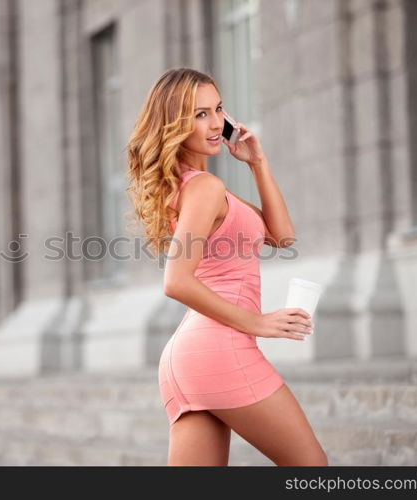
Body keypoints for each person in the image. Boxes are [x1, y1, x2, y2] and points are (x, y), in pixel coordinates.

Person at [125, 68, 328, 466]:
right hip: (220, 348)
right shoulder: (204, 188)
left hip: (191, 358)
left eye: (218, 109)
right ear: (175, 124)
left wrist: (258, 162)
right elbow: (176, 281)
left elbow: (281, 236)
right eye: (200, 114)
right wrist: (257, 323)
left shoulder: (197, 185)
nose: (216, 123)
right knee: (311, 468)